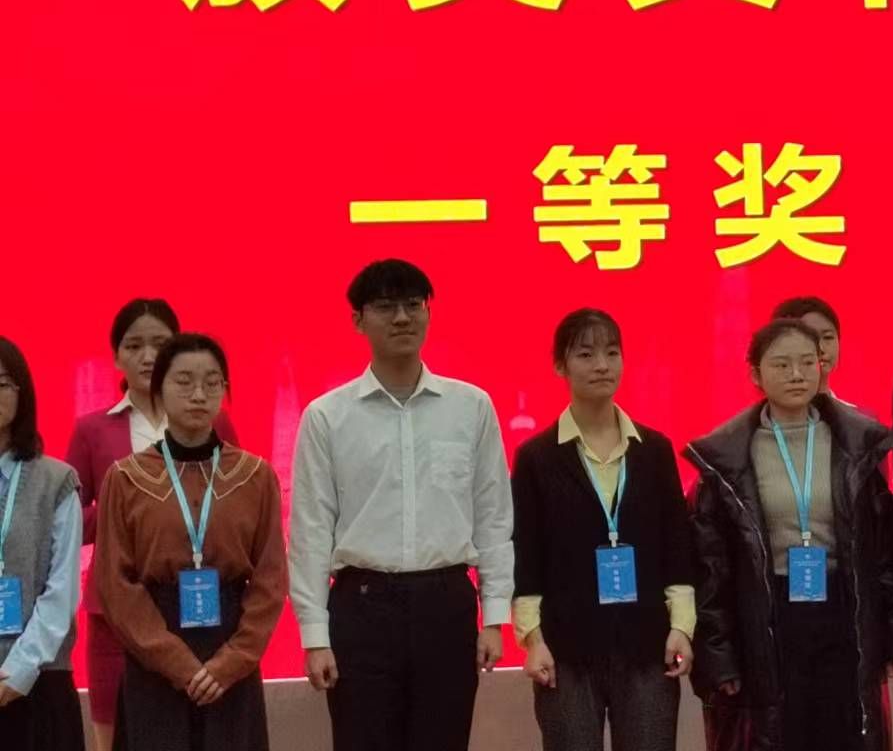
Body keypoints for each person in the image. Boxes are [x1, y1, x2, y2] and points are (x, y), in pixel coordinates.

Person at [288, 258, 515, 751]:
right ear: (358, 319)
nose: (402, 318)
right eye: (386, 307)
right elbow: (310, 530)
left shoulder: (471, 407)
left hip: (446, 604)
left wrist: (495, 617)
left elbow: (493, 517)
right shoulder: (327, 416)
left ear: (429, 313)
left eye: (414, 305)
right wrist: (314, 636)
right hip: (362, 607)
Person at [686, 318, 893, 751]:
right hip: (767, 612)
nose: (796, 374)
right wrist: (718, 655)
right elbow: (711, 567)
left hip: (842, 607)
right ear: (755, 374)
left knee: (842, 734)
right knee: (782, 734)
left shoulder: (857, 443)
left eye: (807, 362)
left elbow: (883, 551)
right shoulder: (727, 455)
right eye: (781, 365)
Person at [511, 308, 696, 751]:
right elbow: (526, 556)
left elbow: (676, 545)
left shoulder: (654, 450)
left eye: (612, 353)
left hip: (647, 643)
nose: (602, 365)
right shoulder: (537, 457)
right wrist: (532, 639)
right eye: (586, 354)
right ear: (560, 365)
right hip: (566, 649)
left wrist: (682, 626)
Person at [94, 333, 286, 751]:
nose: (199, 394)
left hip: (231, 648)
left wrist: (233, 661)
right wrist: (174, 661)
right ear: (158, 388)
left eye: (212, 382)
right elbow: (115, 583)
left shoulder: (255, 477)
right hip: (153, 652)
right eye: (184, 381)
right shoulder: (125, 479)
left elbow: (271, 579)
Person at [66, 300, 237, 751]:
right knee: (116, 732)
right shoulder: (92, 430)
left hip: (200, 600)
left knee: (203, 729)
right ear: (116, 356)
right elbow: (69, 520)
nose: (147, 356)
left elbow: (234, 498)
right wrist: (125, 510)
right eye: (134, 345)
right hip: (117, 608)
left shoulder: (214, 420)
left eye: (159, 344)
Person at [0, 337, 85, 751]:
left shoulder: (56, 480)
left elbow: (62, 588)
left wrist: (20, 668)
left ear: (22, 393)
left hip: (41, 681)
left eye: (2, 383)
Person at [772, 298, 844, 399]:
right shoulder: (764, 410)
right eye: (810, 338)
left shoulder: (855, 410)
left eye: (828, 337)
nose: (821, 348)